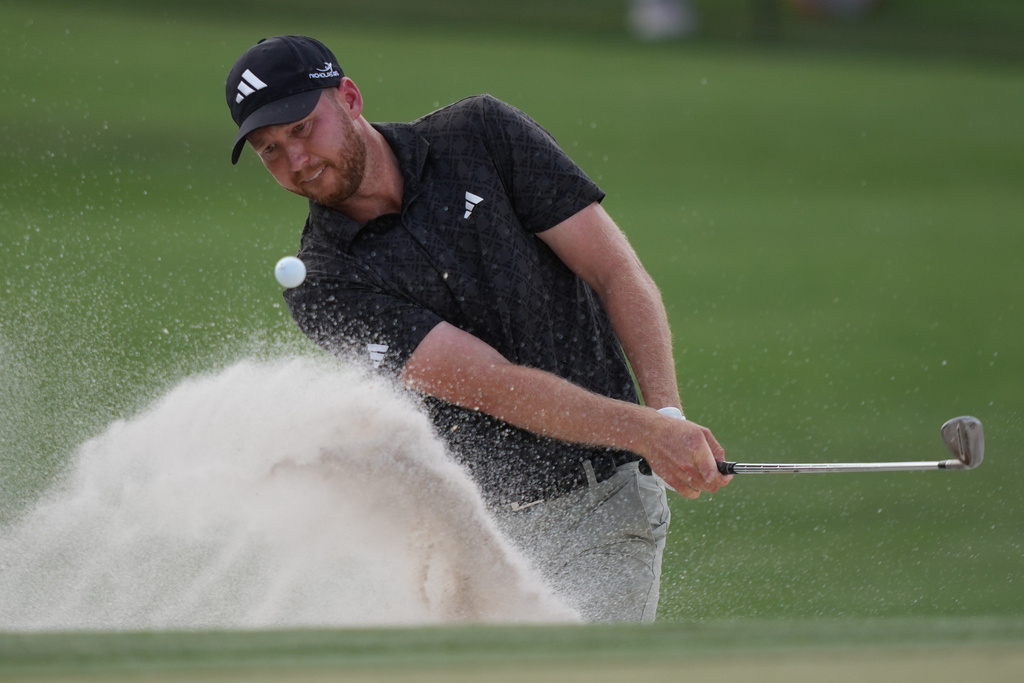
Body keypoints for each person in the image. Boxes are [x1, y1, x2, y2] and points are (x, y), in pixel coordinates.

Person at [225, 35, 731, 622]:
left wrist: (664, 419)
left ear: (350, 98)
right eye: (270, 151)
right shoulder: (325, 284)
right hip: (465, 540)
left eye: (303, 128)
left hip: (603, 507)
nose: (297, 161)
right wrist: (645, 430)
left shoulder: (480, 135)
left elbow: (613, 269)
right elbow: (490, 384)